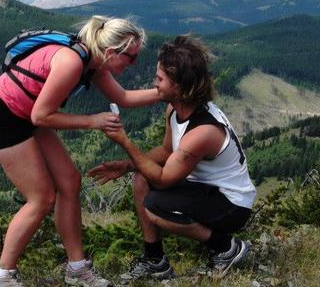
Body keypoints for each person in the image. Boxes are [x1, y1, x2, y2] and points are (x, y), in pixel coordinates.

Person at [0, 16, 160, 287]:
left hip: (27, 115)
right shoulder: (71, 62)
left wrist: (168, 92)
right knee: (41, 198)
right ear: (112, 52)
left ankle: (77, 268)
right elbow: (41, 116)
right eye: (131, 57)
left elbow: (122, 98)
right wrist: (92, 121)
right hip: (3, 120)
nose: (133, 63)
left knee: (70, 182)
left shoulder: (94, 63)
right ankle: (1, 277)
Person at [88, 35, 256, 283]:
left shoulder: (203, 132)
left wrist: (124, 141)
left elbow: (164, 179)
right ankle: (155, 260)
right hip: (206, 190)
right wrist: (127, 166)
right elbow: (167, 151)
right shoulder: (176, 109)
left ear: (179, 86)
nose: (155, 84)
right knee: (140, 178)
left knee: (155, 206)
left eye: (160, 79)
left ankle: (225, 247)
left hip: (232, 204)